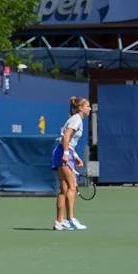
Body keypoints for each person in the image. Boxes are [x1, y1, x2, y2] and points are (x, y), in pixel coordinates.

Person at [52, 96, 91, 231]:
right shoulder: (77, 120)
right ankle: (71, 219)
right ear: (81, 108)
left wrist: (75, 155)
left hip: (60, 151)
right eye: (88, 106)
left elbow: (68, 141)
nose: (90, 108)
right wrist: (67, 154)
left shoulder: (75, 119)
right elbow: (66, 136)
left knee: (63, 190)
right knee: (72, 187)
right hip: (63, 152)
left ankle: (59, 222)